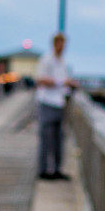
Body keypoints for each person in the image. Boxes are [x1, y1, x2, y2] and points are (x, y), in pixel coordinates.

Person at [35, 33, 78, 180]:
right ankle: (44, 171)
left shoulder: (62, 62)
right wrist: (63, 82)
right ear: (55, 44)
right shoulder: (46, 60)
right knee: (46, 138)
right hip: (47, 102)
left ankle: (56, 170)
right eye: (61, 44)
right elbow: (40, 79)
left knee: (59, 139)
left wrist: (69, 85)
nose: (63, 47)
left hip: (59, 102)